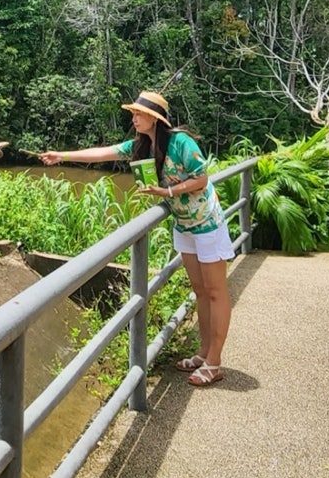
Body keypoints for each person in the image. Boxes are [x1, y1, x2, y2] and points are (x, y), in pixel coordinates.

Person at [39, 90, 232, 387]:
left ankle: (215, 362)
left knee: (216, 291)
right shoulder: (143, 145)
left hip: (207, 224)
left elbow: (202, 179)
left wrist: (167, 193)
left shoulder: (180, 142)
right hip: (184, 225)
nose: (134, 118)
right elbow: (105, 152)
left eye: (138, 114)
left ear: (154, 118)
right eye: (134, 113)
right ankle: (204, 353)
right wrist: (61, 156)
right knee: (201, 292)